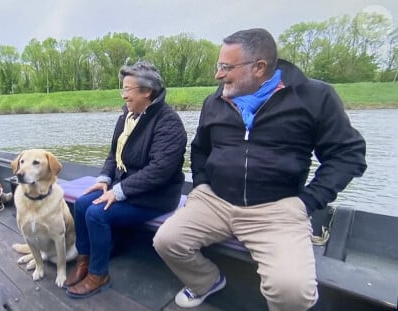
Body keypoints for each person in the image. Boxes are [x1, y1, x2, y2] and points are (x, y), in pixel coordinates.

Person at [153, 28, 367, 310]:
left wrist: (308, 202)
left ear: (259, 68)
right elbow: (201, 148)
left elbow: (348, 154)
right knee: (166, 241)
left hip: (276, 209)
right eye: (219, 66)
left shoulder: (314, 97)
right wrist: (202, 185)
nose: (218, 74)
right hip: (214, 200)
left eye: (225, 67)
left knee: (291, 291)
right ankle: (206, 281)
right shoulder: (215, 101)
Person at [64, 61, 187, 298]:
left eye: (127, 89)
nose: (123, 95)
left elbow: (159, 171)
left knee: (96, 213)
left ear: (146, 91)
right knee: (81, 204)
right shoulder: (128, 116)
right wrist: (104, 178)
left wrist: (118, 191)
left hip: (155, 197)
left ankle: (99, 275)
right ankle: (84, 262)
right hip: (127, 187)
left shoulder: (168, 122)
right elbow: (114, 153)